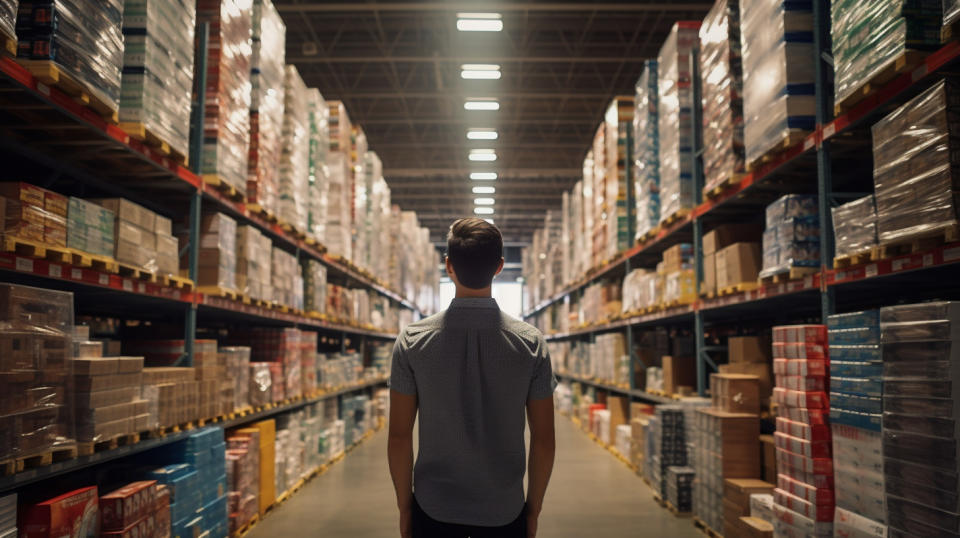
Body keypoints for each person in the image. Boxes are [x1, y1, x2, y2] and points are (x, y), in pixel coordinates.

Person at [388, 218, 557, 538]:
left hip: (433, 508)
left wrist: (405, 508)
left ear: (448, 266)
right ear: (499, 267)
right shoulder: (531, 343)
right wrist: (533, 510)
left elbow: (398, 436)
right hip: (504, 511)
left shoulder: (411, 341)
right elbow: (544, 438)